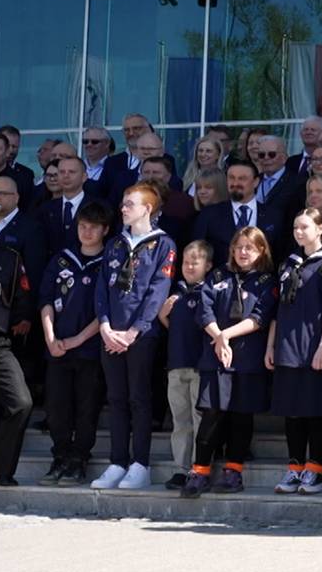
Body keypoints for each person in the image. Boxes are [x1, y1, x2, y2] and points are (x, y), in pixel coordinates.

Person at [90, 182, 177, 490]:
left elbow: (157, 292)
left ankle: (140, 463)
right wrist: (104, 325)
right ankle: (117, 461)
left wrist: (133, 330)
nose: (123, 209)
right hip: (111, 333)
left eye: (129, 204)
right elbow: (102, 287)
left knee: (139, 398)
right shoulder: (115, 243)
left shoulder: (163, 244)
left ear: (147, 209)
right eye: (123, 203)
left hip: (140, 334)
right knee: (115, 398)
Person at [180, 227, 277, 498]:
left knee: (240, 416)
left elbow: (260, 317)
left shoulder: (267, 281)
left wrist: (226, 335)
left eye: (250, 247)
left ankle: (233, 470)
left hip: (246, 357)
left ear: (261, 251)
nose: (244, 252)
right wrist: (218, 337)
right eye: (239, 246)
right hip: (216, 357)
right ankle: (199, 470)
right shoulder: (218, 276)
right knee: (211, 414)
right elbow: (204, 310)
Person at [265, 207, 322, 495]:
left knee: (315, 411)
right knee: (293, 412)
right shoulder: (289, 262)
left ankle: (315, 469)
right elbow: (277, 308)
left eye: (305, 227)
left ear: (320, 229)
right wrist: (271, 344)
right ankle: (295, 466)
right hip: (287, 346)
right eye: (296, 227)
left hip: (313, 346)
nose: (299, 232)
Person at [37, 201, 109, 486]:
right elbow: (45, 301)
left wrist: (77, 339)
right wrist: (51, 337)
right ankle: (60, 456)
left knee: (86, 406)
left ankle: (79, 459)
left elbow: (106, 310)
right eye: (82, 226)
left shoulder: (107, 263)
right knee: (56, 406)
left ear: (105, 230)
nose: (87, 232)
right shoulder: (61, 259)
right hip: (58, 347)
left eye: (93, 227)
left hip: (89, 348)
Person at [157, 240, 212, 490]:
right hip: (176, 365)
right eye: (186, 262)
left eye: (195, 262)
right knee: (180, 419)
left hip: (199, 365)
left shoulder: (209, 293)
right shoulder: (175, 293)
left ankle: (198, 467)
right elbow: (174, 329)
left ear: (208, 266)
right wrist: (162, 315)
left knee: (199, 417)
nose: (189, 266)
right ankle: (180, 468)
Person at [0, 200, 33, 487]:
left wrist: (23, 317)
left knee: (21, 403)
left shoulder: (10, 257)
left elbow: (22, 297)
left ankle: (1, 469)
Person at [193, 160, 285, 265]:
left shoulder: (274, 216)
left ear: (256, 182)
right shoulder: (209, 215)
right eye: (231, 178)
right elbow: (198, 253)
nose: (235, 183)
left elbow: (279, 255)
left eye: (242, 179)